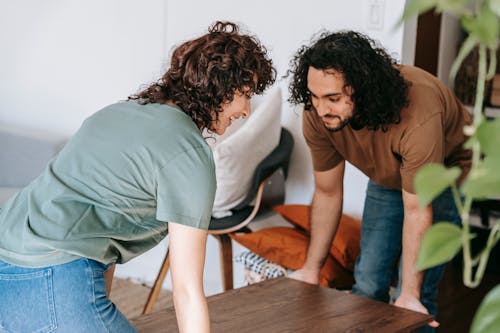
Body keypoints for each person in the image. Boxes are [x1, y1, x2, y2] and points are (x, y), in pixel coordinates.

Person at [0, 21, 275, 333]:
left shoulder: (119, 112)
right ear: (220, 88)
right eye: (245, 94)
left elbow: (102, 243)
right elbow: (186, 290)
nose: (247, 109)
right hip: (48, 274)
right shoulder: (189, 154)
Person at [287, 30, 471, 332]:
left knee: (414, 300)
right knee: (369, 280)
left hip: (446, 172)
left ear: (363, 91)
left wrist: (409, 294)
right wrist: (311, 270)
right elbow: (327, 192)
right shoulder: (317, 114)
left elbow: (416, 210)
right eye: (314, 96)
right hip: (389, 174)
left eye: (333, 98)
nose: (321, 109)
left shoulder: (418, 118)